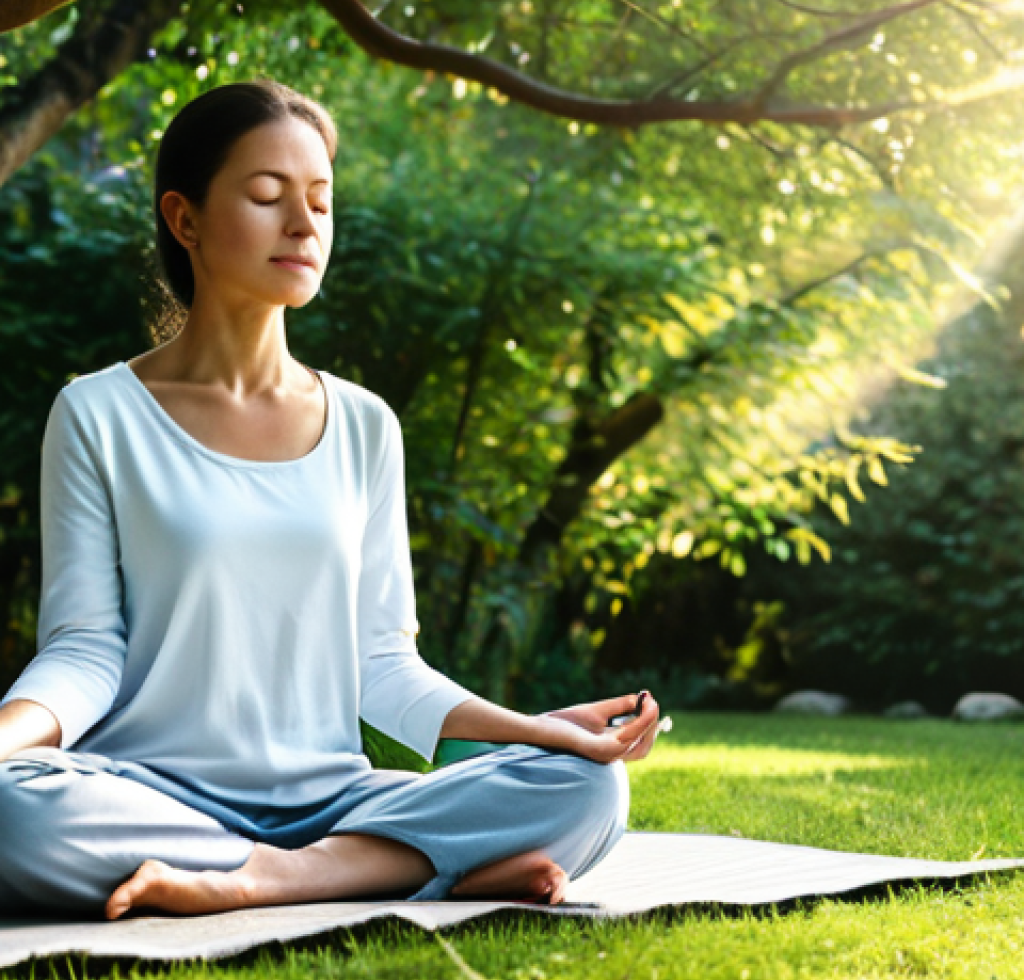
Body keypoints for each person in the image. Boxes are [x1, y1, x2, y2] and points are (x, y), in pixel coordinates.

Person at [0, 78, 662, 921]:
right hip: (146, 792)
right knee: (13, 804)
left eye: (320, 199)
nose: (305, 223)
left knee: (588, 789)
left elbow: (382, 667)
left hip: (332, 798)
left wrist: (537, 730)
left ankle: (266, 881)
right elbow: (87, 651)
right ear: (185, 218)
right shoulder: (97, 414)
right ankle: (400, 871)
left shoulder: (364, 426)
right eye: (269, 196)